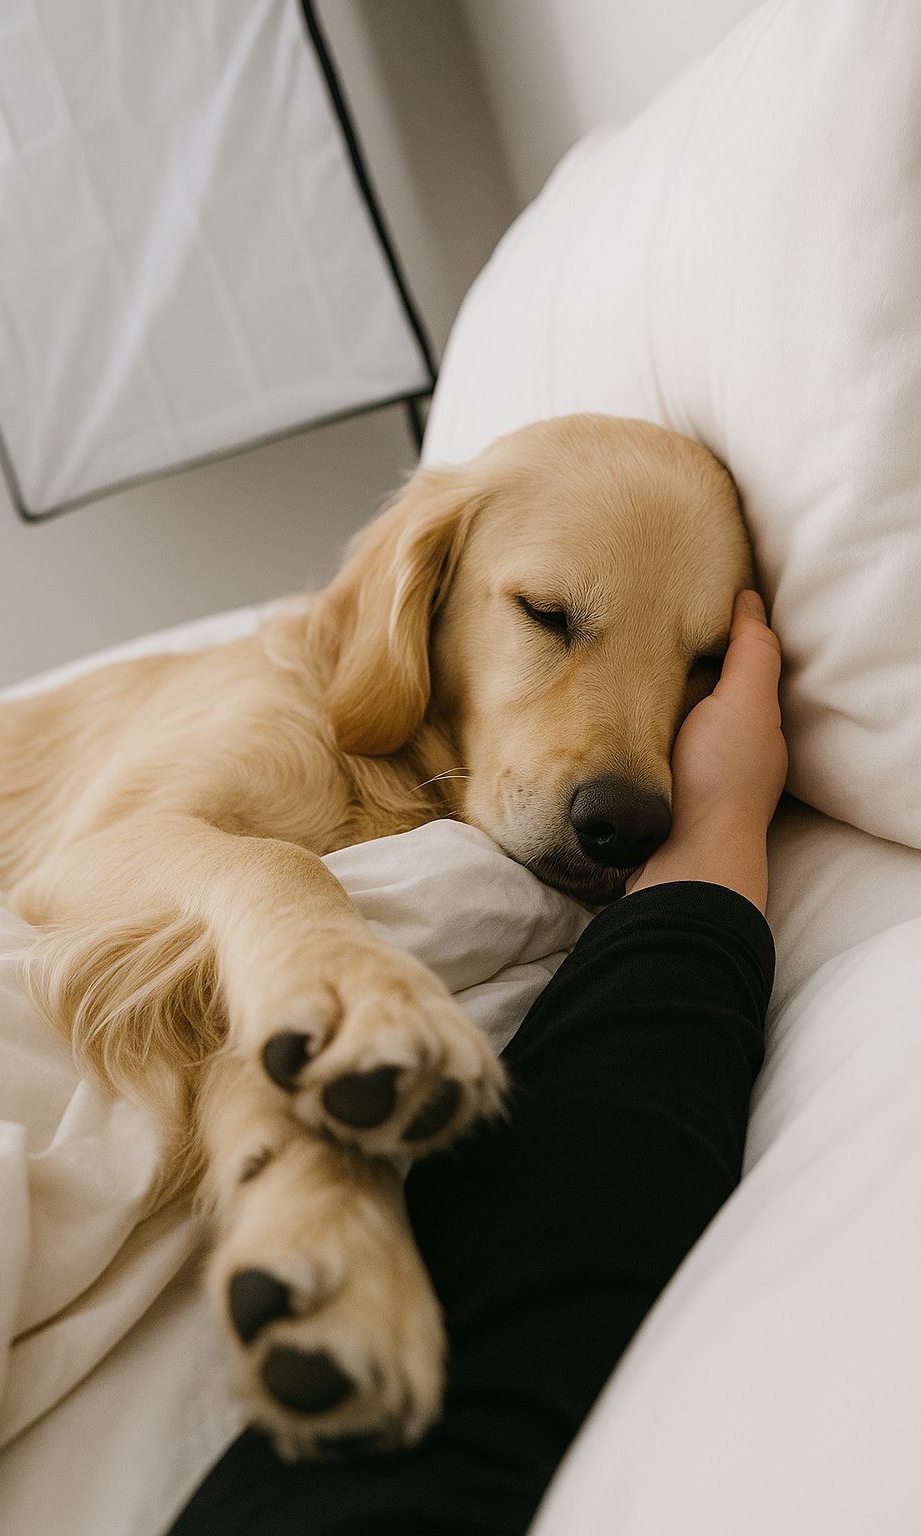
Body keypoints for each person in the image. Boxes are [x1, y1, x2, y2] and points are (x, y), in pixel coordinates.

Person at [168, 589, 788, 1536]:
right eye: (549, 618)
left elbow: (224, 1015)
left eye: (698, 661)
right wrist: (300, 930)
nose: (628, 774)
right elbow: (90, 869)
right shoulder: (271, 709)